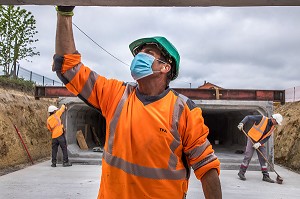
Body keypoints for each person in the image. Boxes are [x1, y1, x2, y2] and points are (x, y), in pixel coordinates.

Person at [53, 6, 222, 198]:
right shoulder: (116, 95)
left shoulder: (183, 110)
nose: (139, 56)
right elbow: (69, 67)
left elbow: (206, 166)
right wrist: (64, 14)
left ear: (166, 67)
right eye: (138, 53)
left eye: (148, 52)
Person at [237, 113, 283, 183]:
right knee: (248, 156)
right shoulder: (261, 118)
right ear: (273, 119)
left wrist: (259, 143)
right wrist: (242, 123)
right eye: (276, 122)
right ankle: (241, 173)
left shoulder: (273, 127)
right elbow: (248, 117)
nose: (276, 124)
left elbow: (267, 137)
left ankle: (265, 176)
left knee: (263, 158)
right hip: (252, 138)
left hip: (260, 142)